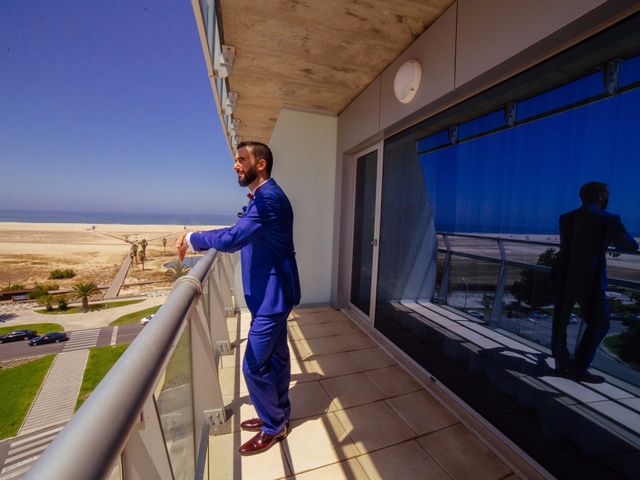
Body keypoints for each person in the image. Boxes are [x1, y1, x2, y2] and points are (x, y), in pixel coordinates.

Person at [176, 141, 300, 455]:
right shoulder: (265, 197)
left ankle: (274, 427)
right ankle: (279, 412)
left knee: (253, 366)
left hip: (273, 295)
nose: (235, 165)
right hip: (273, 294)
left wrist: (192, 239)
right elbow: (241, 230)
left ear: (260, 165)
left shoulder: (269, 198)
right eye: (235, 160)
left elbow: (233, 238)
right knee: (278, 358)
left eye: (241, 159)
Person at [551, 181, 637, 383]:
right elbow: (630, 245)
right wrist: (612, 242)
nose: (608, 198)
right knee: (600, 323)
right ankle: (579, 367)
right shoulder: (609, 219)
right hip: (590, 279)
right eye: (607, 194)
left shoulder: (566, 218)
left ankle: (561, 362)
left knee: (560, 321)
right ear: (600, 195)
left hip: (563, 274)